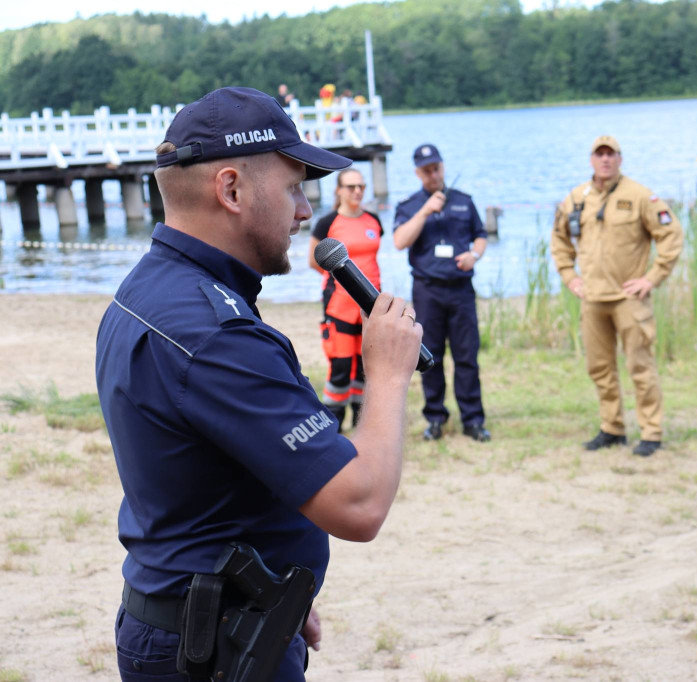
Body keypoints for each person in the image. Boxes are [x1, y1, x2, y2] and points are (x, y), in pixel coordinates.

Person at [95, 87, 423, 681]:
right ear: (231, 190)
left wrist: (266, 585)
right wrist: (388, 372)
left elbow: (197, 487)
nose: (305, 211)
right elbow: (360, 504)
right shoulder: (217, 337)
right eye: (295, 187)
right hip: (208, 651)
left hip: (196, 616)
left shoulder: (143, 291)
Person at [550, 135, 683, 457]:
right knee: (600, 368)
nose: (605, 160)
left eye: (611, 154)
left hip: (628, 299)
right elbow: (559, 240)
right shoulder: (575, 198)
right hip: (593, 299)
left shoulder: (639, 196)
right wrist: (570, 277)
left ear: (620, 159)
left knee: (640, 366)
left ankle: (651, 432)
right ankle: (612, 428)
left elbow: (671, 234)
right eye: (600, 154)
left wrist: (651, 278)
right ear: (592, 160)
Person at [393, 143, 490, 442]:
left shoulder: (463, 201)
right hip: (428, 290)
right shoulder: (409, 206)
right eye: (426, 170)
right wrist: (425, 211)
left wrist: (475, 255)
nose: (433, 174)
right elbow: (399, 241)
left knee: (467, 356)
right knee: (429, 357)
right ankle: (435, 418)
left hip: (461, 289)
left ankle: (473, 419)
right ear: (417, 173)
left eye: (436, 168)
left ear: (442, 167)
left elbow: (481, 236)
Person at [307, 168, 381, 432]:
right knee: (340, 367)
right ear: (338, 190)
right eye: (351, 187)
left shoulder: (373, 220)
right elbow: (313, 260)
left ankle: (362, 422)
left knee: (365, 368)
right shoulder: (327, 223)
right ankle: (334, 425)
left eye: (361, 186)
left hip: (370, 308)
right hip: (339, 306)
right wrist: (344, 283)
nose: (357, 191)